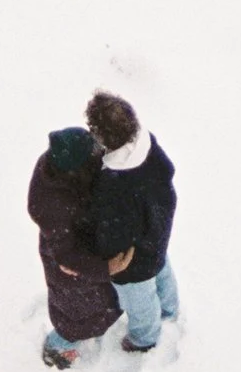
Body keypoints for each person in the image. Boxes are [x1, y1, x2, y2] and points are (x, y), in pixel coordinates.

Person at [77, 91, 179, 352]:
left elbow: (112, 232)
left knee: (139, 300)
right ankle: (169, 310)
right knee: (163, 272)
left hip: (132, 261)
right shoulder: (149, 146)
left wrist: (104, 257)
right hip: (157, 234)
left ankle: (144, 339)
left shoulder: (116, 185)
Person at [27, 127, 120, 369]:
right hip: (73, 265)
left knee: (95, 306)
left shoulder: (63, 165)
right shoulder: (50, 204)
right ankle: (57, 347)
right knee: (77, 316)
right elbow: (67, 257)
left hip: (84, 249)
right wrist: (106, 268)